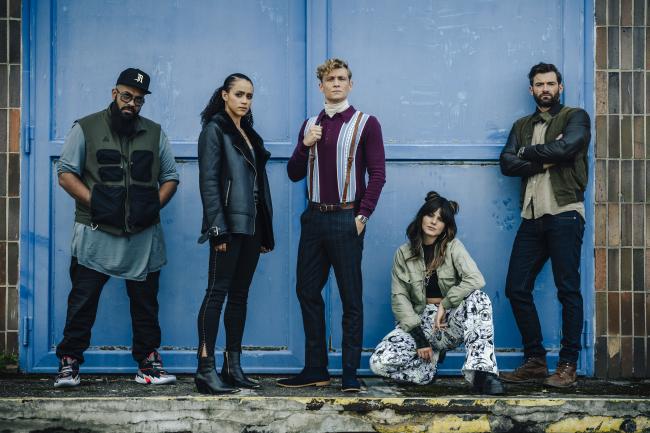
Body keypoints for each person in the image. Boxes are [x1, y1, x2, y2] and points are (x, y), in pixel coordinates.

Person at [54, 68, 179, 388]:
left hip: (143, 235)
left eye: (138, 100)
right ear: (114, 93)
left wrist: (152, 206)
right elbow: (66, 173)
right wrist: (97, 203)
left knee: (146, 303)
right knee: (82, 301)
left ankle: (148, 363)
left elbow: (170, 177)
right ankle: (69, 362)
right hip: (96, 232)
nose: (132, 104)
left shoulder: (155, 132)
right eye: (127, 96)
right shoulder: (86, 127)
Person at [277, 58, 386, 392]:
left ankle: (349, 372)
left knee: (350, 297)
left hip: (346, 217)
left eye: (341, 78)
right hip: (314, 218)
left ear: (350, 84)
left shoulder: (366, 123)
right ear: (320, 86)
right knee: (307, 291)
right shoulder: (310, 125)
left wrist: (362, 216)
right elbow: (293, 173)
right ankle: (316, 369)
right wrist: (304, 144)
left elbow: (378, 174)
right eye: (330, 79)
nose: (336, 83)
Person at [499, 62, 591, 388]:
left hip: (565, 212)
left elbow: (568, 147)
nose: (545, 89)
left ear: (560, 87)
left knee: (568, 290)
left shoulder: (575, 117)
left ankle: (567, 365)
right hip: (532, 215)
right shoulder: (522, 125)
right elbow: (507, 163)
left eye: (551, 83)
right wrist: (546, 158)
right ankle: (536, 360)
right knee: (516, 288)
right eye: (539, 84)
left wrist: (527, 153)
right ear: (532, 90)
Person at [369, 192, 504, 395]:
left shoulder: (453, 247)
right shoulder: (403, 254)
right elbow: (400, 298)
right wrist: (420, 339)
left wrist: (446, 303)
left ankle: (482, 373)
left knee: (479, 298)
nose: (433, 222)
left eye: (440, 219)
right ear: (421, 217)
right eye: (430, 215)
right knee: (379, 362)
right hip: (419, 322)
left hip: (448, 321)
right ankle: (426, 370)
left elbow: (476, 279)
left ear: (445, 226)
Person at [194, 73, 275, 395]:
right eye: (239, 94)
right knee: (216, 293)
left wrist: (264, 232)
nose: (244, 100)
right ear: (224, 95)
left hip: (252, 226)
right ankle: (205, 369)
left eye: (249, 96)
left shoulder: (249, 134)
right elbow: (209, 182)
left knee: (239, 296)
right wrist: (217, 229)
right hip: (228, 226)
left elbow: (258, 187)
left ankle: (233, 366)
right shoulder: (214, 130)